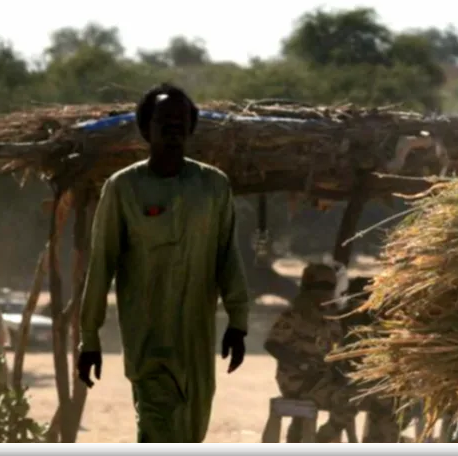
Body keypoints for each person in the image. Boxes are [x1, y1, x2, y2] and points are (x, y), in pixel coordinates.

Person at [76, 83, 251, 444]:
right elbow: (101, 265)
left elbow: (227, 256)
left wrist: (238, 322)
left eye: (180, 119)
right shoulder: (123, 188)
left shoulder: (213, 186)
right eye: (163, 120)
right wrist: (89, 339)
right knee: (159, 427)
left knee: (190, 432)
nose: (173, 126)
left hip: (197, 347)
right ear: (145, 128)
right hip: (148, 343)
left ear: (190, 127)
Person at [264, 263, 397, 443]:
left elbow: (337, 351)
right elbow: (273, 344)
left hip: (324, 381)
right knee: (347, 399)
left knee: (380, 398)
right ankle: (323, 439)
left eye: (329, 287)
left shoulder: (332, 318)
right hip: (299, 382)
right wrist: (300, 362)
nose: (324, 292)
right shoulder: (294, 316)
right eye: (320, 287)